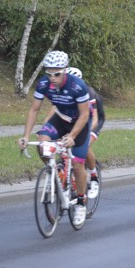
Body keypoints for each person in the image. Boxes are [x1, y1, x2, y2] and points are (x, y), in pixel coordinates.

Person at [18, 51, 92, 226]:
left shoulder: (77, 85)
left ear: (65, 70)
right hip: (60, 119)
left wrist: (72, 136)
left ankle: (81, 202)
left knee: (78, 163)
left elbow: (84, 114)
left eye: (57, 74)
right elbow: (34, 110)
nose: (52, 78)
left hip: (78, 123)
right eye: (49, 73)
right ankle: (55, 172)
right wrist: (26, 136)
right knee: (42, 142)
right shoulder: (44, 84)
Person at [42, 67, 104, 202]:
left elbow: (93, 119)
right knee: (60, 144)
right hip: (71, 119)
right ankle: (64, 173)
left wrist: (74, 134)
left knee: (85, 145)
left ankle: (94, 176)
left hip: (93, 120)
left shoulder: (87, 92)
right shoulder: (61, 91)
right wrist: (45, 129)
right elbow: (54, 111)